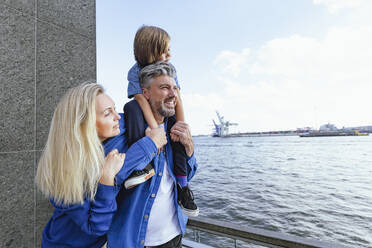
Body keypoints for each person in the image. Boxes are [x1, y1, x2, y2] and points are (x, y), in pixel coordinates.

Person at [35, 83, 167, 248]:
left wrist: (151, 132)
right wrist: (106, 180)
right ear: (84, 124)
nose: (117, 117)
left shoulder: (111, 137)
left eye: (114, 109)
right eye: (108, 113)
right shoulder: (62, 171)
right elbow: (95, 226)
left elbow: (135, 109)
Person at [105, 61, 198, 248]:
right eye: (164, 88)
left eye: (175, 88)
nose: (173, 94)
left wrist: (189, 150)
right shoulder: (119, 128)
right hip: (133, 241)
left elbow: (187, 175)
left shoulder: (176, 130)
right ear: (145, 93)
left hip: (174, 236)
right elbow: (106, 181)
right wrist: (148, 145)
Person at [123, 25, 198, 216]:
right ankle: (141, 167)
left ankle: (182, 185)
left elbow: (177, 98)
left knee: (178, 137)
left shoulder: (170, 69)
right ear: (150, 51)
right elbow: (140, 99)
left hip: (169, 114)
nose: (169, 55)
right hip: (145, 112)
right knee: (130, 107)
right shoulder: (135, 72)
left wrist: (181, 129)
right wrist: (155, 130)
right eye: (165, 51)